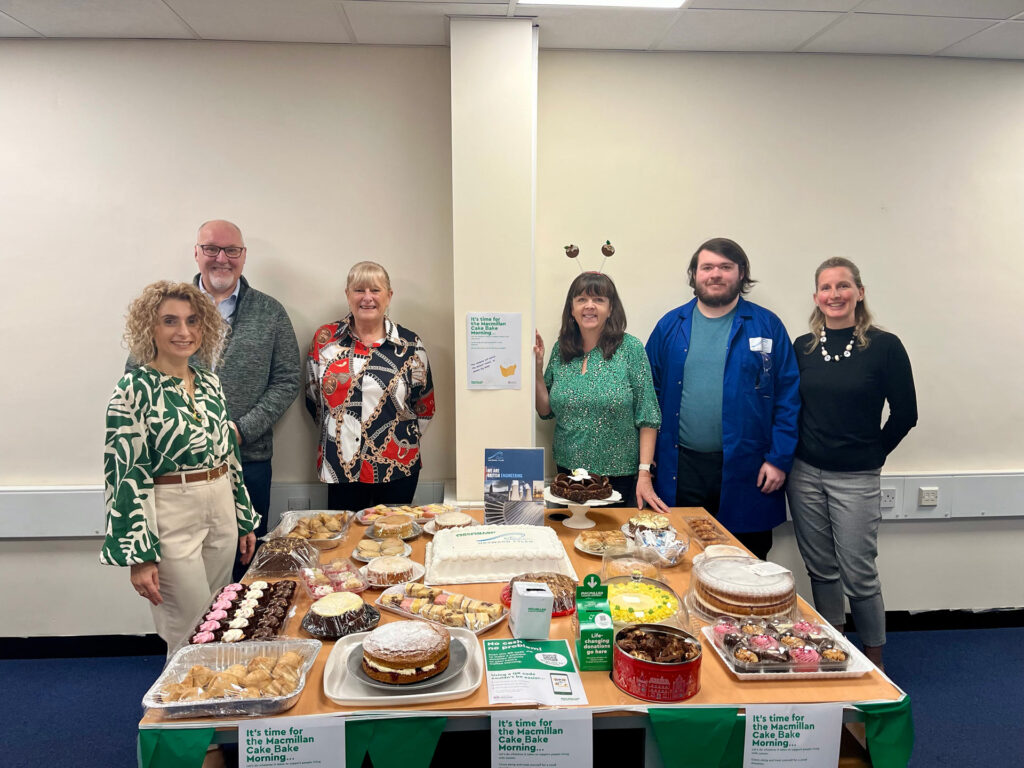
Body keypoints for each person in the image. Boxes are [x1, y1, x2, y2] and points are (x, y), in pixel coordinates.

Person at [102, 281, 259, 653]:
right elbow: (124, 473)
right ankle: (179, 706)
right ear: (150, 328)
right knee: (187, 630)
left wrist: (244, 514)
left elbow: (228, 453)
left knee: (217, 620)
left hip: (220, 505)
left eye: (192, 321)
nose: (183, 332)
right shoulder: (133, 388)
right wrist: (138, 555)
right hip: (172, 511)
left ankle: (217, 704)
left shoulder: (209, 383)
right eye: (169, 321)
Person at [786, 257, 917, 669]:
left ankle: (874, 656)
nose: (834, 295)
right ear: (816, 297)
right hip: (804, 474)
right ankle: (832, 648)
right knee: (821, 569)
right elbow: (790, 408)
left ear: (860, 292)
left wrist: (872, 454)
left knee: (858, 572)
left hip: (857, 477)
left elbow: (905, 414)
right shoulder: (803, 347)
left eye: (843, 286)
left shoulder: (884, 347)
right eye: (826, 288)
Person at [646, 237, 800, 559]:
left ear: (741, 273)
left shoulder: (767, 326)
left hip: (749, 468)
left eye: (725, 267)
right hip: (681, 468)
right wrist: (647, 459)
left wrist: (779, 459)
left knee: (746, 562)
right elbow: (650, 394)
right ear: (695, 275)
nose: (716, 274)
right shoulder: (670, 326)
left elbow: (788, 396)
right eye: (707, 267)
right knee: (678, 558)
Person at [306, 261, 435, 511]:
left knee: (395, 540)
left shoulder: (410, 344)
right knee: (347, 543)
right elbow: (314, 399)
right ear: (347, 295)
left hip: (397, 468)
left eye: (375, 290)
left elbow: (425, 404)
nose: (367, 298)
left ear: (389, 296)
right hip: (341, 465)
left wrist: (395, 437)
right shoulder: (325, 339)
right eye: (359, 290)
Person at [535, 272, 667, 511]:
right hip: (568, 475)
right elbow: (545, 410)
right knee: (572, 538)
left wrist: (645, 474)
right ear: (572, 309)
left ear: (611, 308)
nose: (590, 306)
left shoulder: (630, 349)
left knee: (609, 544)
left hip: (617, 478)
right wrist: (536, 368)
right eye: (582, 299)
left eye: (599, 300)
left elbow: (648, 416)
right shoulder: (561, 349)